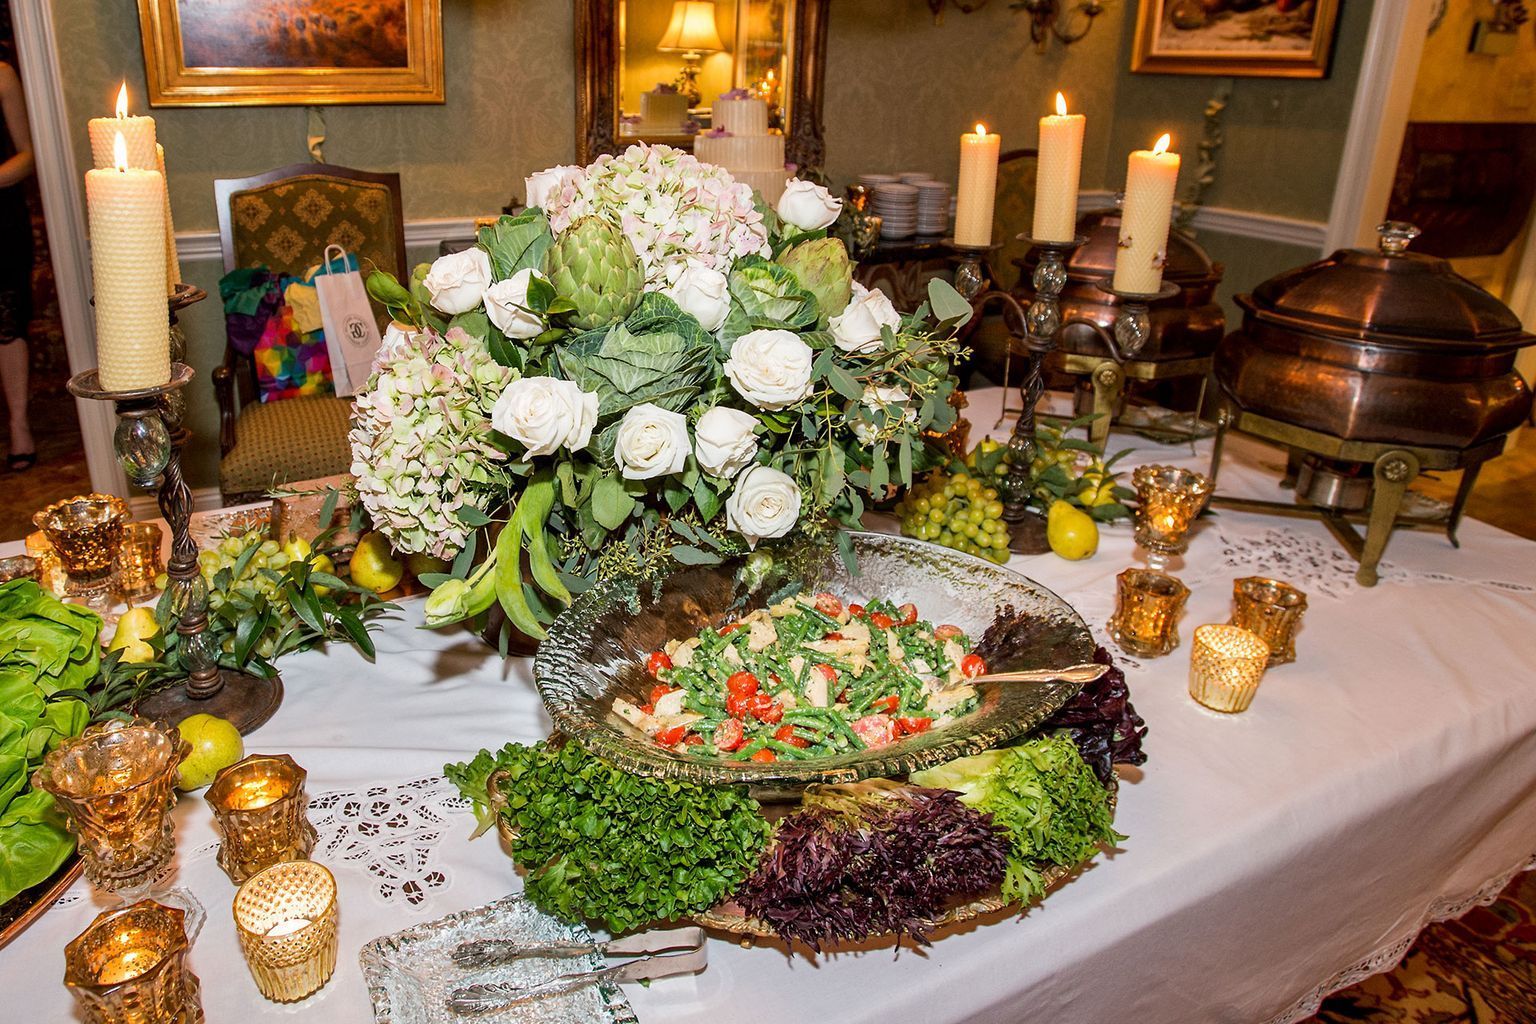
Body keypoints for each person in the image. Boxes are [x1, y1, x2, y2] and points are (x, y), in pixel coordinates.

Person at [0, 59, 34, 471]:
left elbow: (28, 154)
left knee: (7, 320)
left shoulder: (2, 73)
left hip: (2, 219)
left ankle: (19, 424)